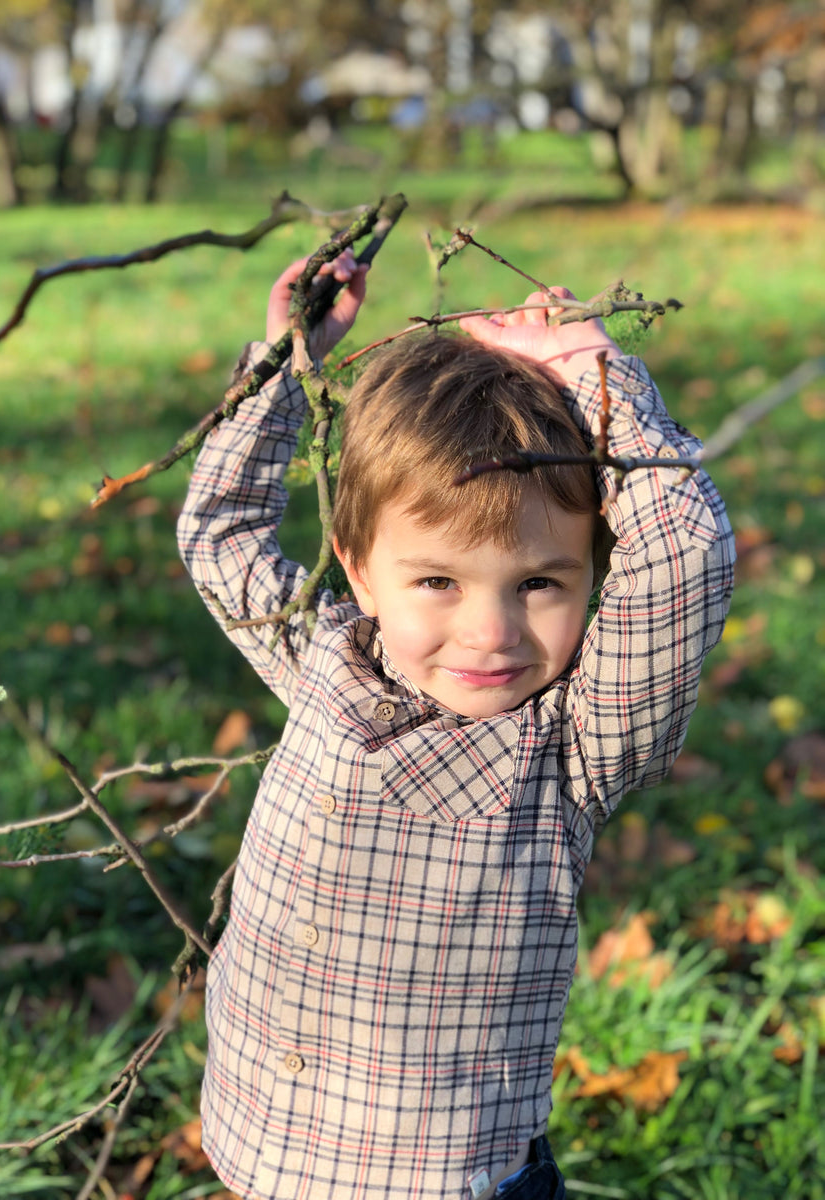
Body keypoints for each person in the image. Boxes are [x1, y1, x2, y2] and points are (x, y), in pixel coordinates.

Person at [177, 250, 735, 1200]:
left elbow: (684, 557)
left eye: (539, 583)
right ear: (360, 571)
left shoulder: (575, 745)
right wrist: (285, 363)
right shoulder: (327, 659)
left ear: (591, 579)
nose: (491, 631)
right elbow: (220, 533)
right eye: (438, 580)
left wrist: (597, 375)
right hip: (259, 1143)